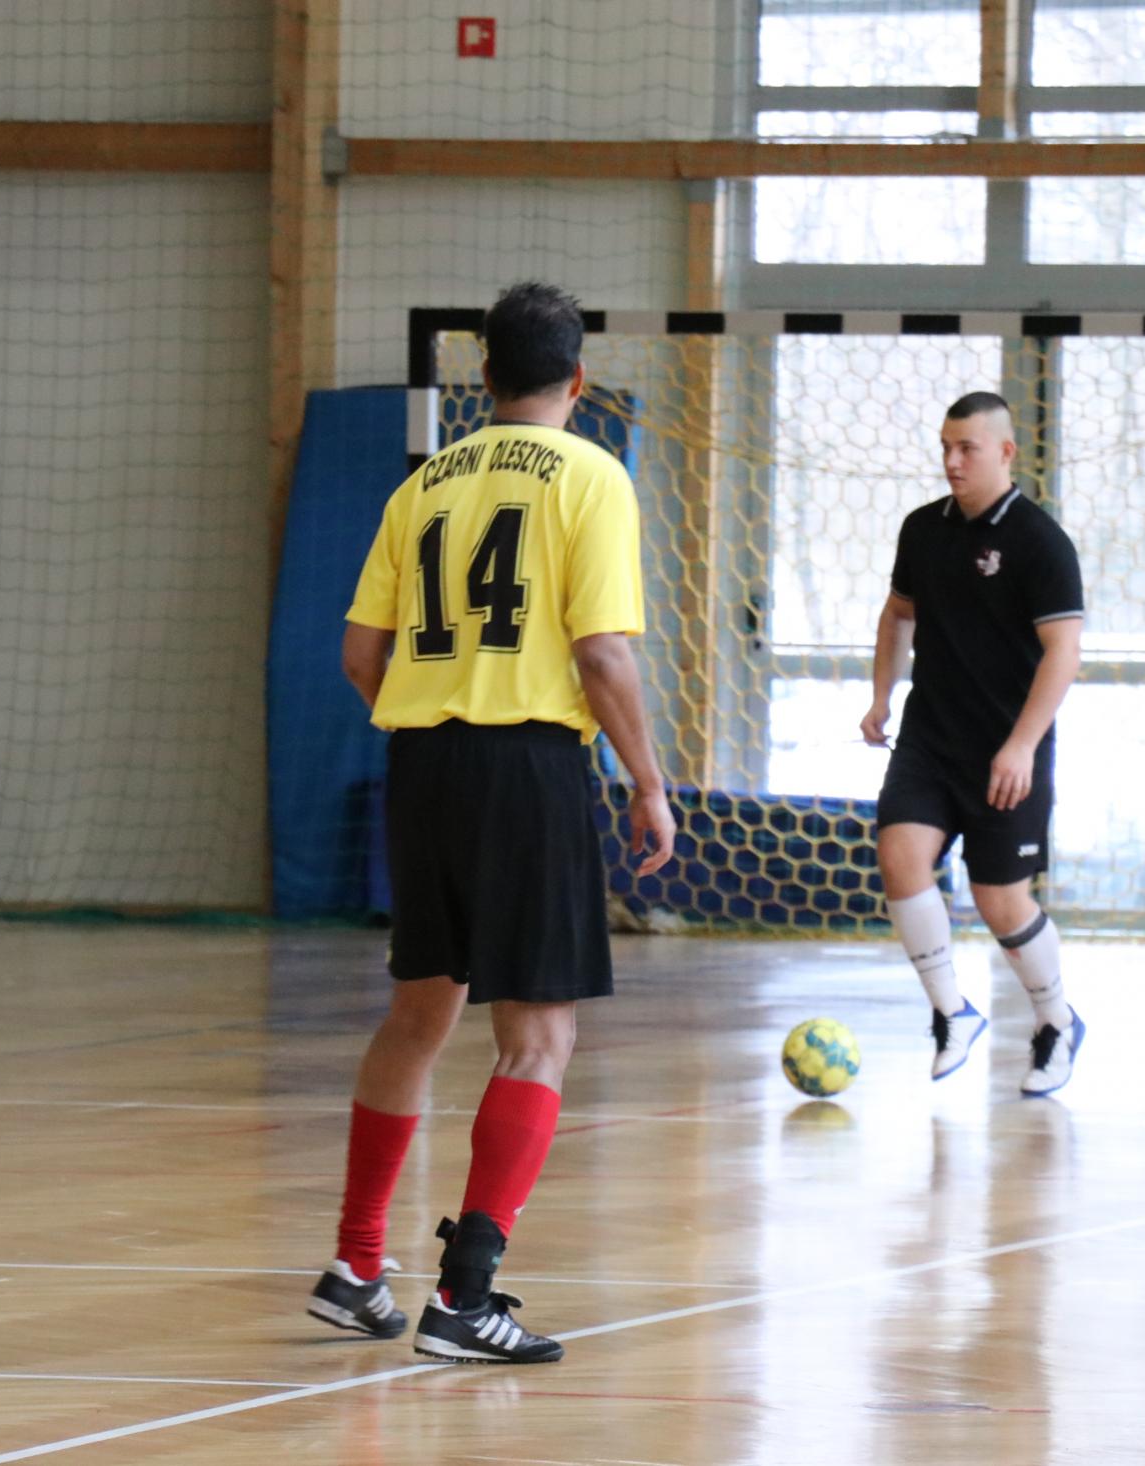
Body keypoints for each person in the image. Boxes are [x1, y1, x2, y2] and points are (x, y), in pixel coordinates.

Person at [306, 282, 675, 1364]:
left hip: (420, 762)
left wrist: (433, 721)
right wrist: (649, 781)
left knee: (418, 1013)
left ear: (483, 375)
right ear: (577, 379)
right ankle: (465, 1298)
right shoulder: (591, 475)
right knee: (539, 1035)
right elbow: (602, 652)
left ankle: (356, 1265)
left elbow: (360, 655)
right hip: (525, 764)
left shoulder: (424, 482)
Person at [860, 391, 1087, 1098]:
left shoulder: (1040, 542)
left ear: (1005, 452)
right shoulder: (923, 529)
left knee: (1000, 901)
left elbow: (1064, 653)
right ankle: (952, 1011)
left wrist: (1021, 746)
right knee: (900, 856)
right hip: (930, 739)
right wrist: (881, 696)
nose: (952, 462)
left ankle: (1056, 1022)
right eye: (946, 447)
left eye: (968, 448)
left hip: (1005, 750)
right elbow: (897, 614)